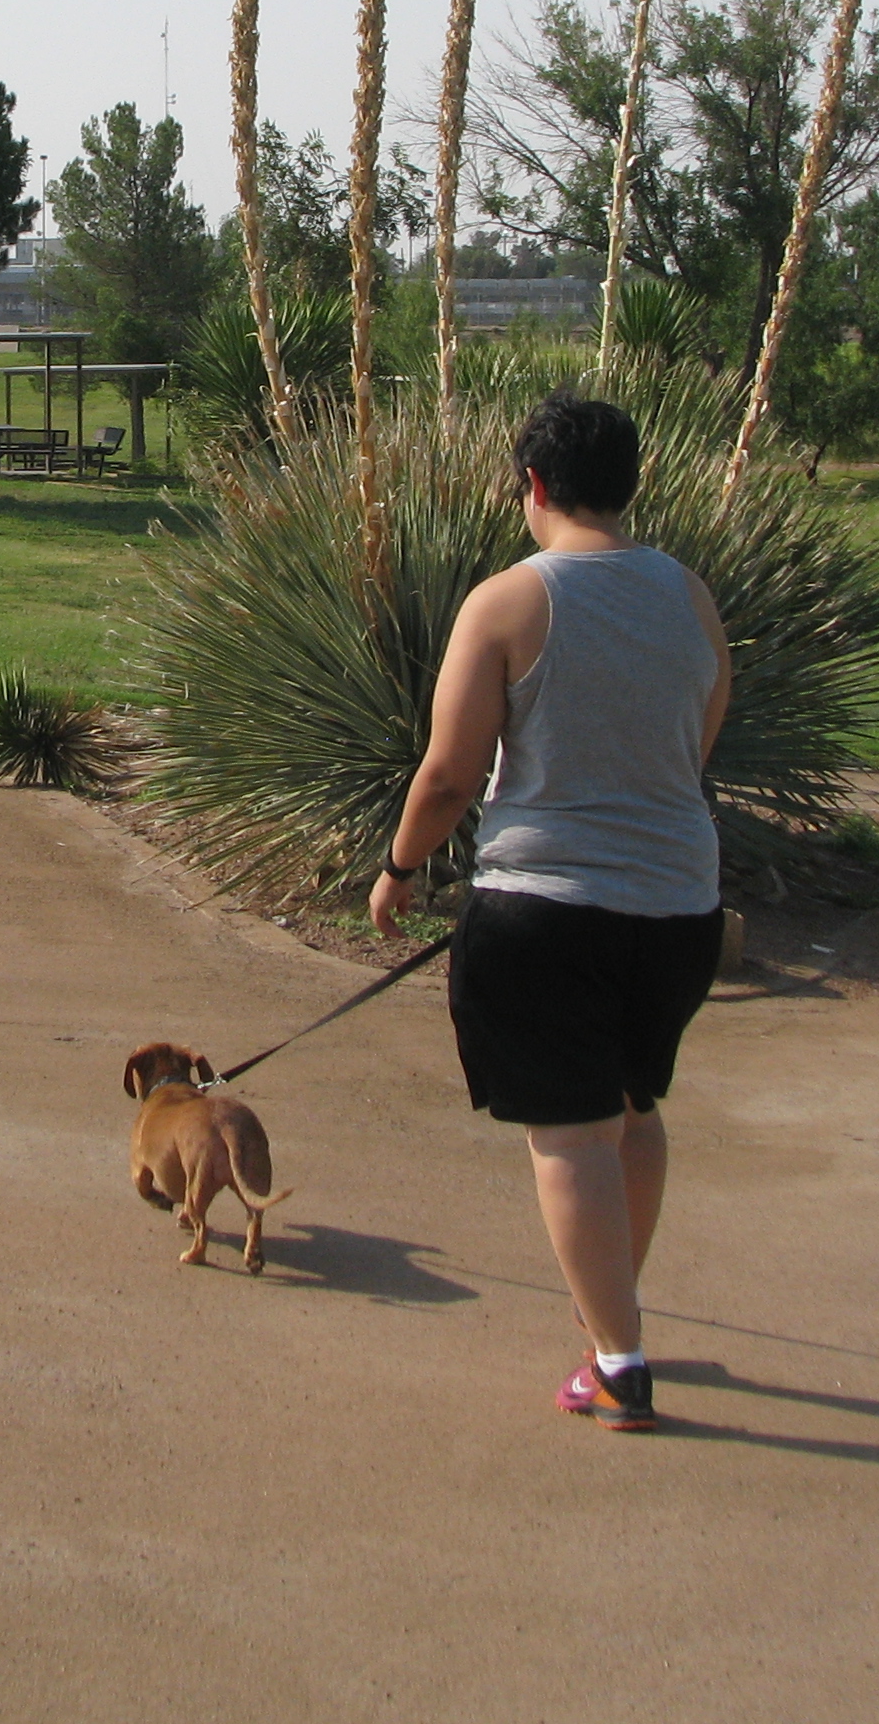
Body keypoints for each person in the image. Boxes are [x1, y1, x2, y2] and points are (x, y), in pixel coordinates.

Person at [368, 393, 730, 1434]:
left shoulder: (509, 602)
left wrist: (400, 868)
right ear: (632, 483)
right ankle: (607, 1311)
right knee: (632, 1109)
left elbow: (448, 773)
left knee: (568, 1138)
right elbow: (700, 733)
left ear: (531, 484)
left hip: (546, 911)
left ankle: (620, 1362)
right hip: (676, 908)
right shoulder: (689, 597)